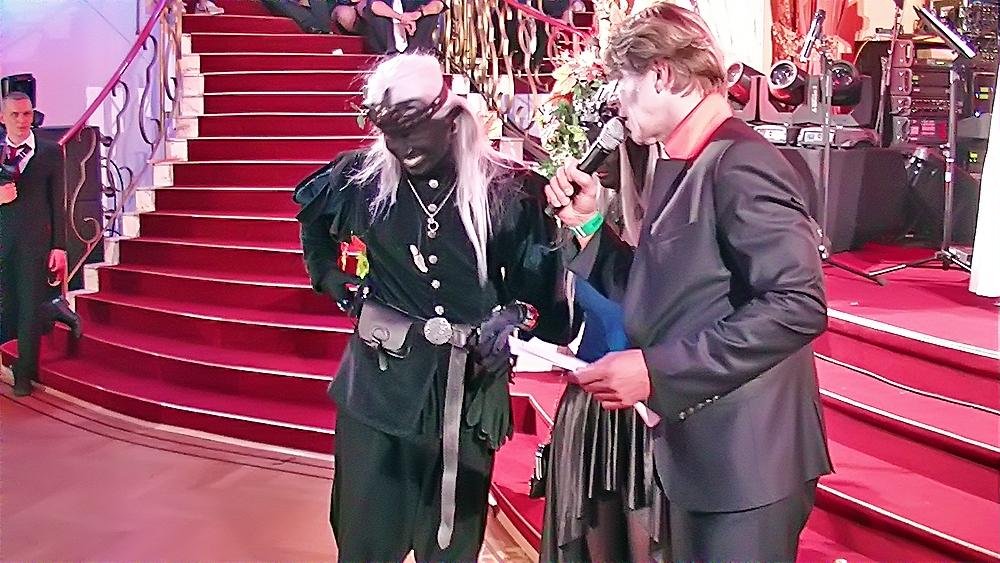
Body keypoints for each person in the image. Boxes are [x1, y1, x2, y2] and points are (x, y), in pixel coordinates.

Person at [544, 3, 832, 560]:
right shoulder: (684, 161)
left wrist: (656, 371)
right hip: (702, 455)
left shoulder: (741, 163)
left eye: (622, 82)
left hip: (748, 463)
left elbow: (798, 303)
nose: (615, 100)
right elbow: (664, 292)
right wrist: (591, 226)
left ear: (661, 75)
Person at [294, 53, 575, 561]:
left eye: (413, 133)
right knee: (364, 543)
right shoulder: (360, 179)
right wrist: (335, 282)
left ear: (450, 120)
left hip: (469, 398)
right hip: (377, 390)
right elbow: (313, 226)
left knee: (451, 548)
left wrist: (515, 315)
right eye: (391, 136)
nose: (402, 149)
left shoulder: (508, 190)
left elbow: (546, 302)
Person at [541, 139, 673, 562]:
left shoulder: (674, 229)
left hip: (649, 409)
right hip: (591, 408)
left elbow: (642, 305)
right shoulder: (582, 224)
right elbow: (563, 319)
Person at [0, 92, 67, 397]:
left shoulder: (50, 151)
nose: (21, 120)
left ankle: (25, 374)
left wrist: (59, 246)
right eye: (14, 114)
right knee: (7, 306)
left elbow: (58, 202)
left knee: (29, 307)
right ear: (3, 118)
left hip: (34, 244)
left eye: (26, 114)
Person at [362, 0, 444, 54]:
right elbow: (374, 5)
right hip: (384, 45)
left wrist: (417, 14)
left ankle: (417, 53)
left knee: (430, 13)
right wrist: (401, 17)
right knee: (379, 15)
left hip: (417, 45)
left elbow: (438, 5)